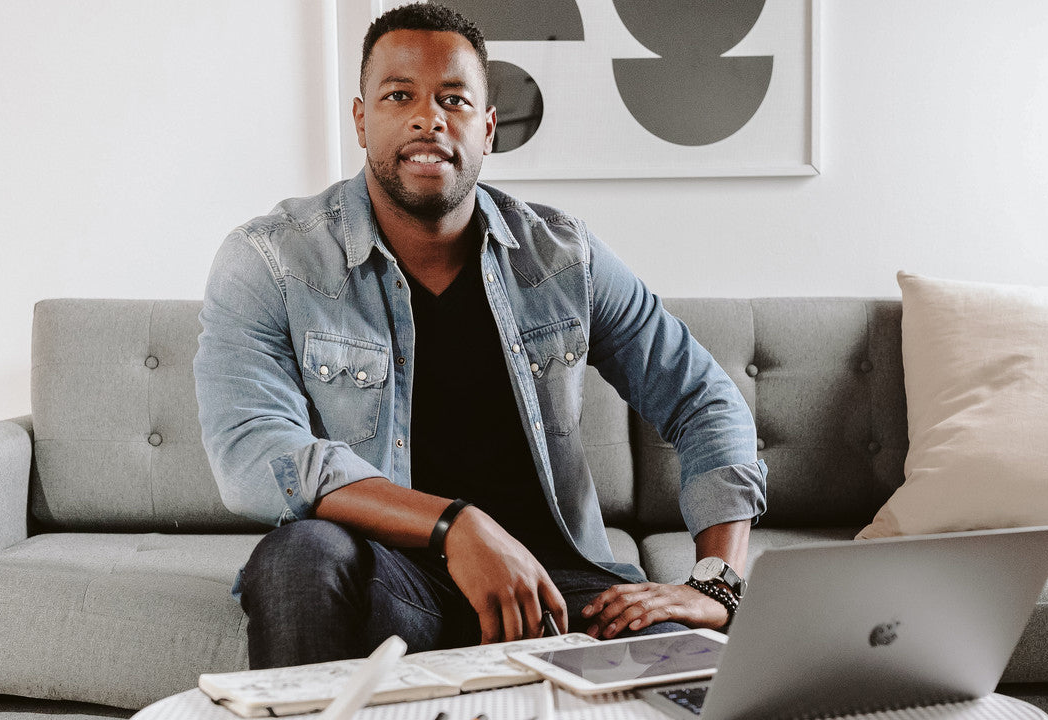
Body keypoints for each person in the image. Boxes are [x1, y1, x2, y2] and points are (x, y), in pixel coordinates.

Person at [194, 2, 766, 670]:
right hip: (391, 582)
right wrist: (453, 525)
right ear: (361, 119)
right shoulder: (272, 260)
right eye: (399, 94)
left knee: (696, 666)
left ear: (488, 129)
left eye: (454, 99)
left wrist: (716, 583)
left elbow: (703, 399)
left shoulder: (561, 257)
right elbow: (257, 453)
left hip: (554, 586)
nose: (428, 117)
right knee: (299, 555)